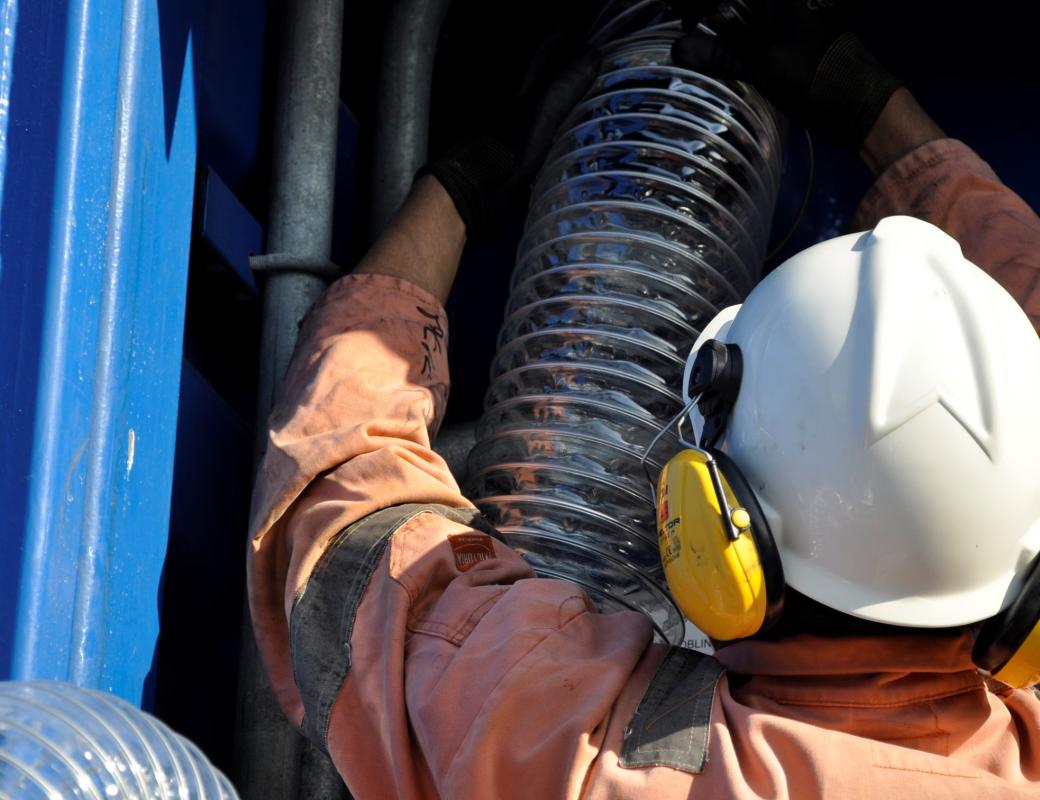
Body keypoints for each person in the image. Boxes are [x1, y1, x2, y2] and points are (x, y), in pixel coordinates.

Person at [245, 2, 1040, 797]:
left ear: (708, 521)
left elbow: (341, 512)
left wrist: (459, 189)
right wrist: (885, 117)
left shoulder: (572, 752)